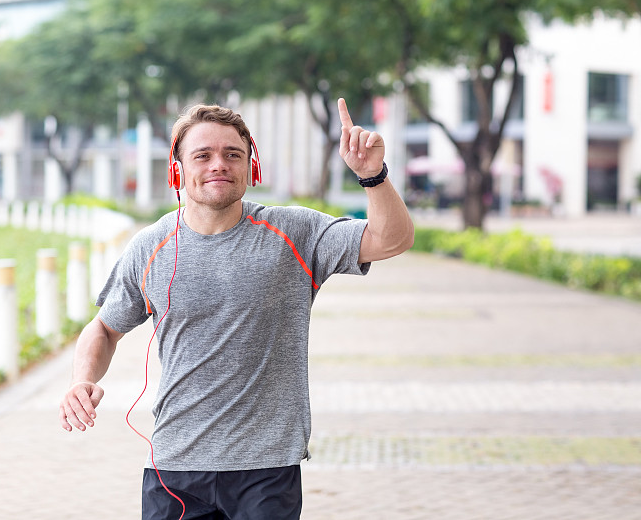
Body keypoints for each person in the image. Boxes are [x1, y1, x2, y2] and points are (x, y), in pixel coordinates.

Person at [59, 98, 414, 519]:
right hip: (175, 466)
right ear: (178, 168)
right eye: (202, 155)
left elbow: (392, 239)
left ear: (250, 166)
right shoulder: (149, 248)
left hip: (266, 468)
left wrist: (373, 176)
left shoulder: (294, 233)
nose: (218, 165)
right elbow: (103, 329)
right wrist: (82, 380)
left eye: (232, 154)